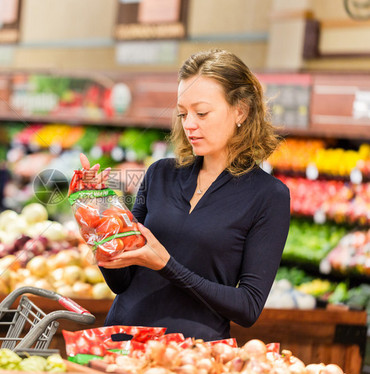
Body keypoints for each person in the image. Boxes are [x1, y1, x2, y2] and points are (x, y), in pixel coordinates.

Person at [79, 49, 290, 341]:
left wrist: (167, 265)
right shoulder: (160, 174)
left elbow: (248, 308)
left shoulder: (269, 196)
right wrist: (98, 215)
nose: (189, 124)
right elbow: (122, 280)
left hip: (191, 357)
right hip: (121, 344)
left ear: (240, 110)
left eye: (201, 113)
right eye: (182, 113)